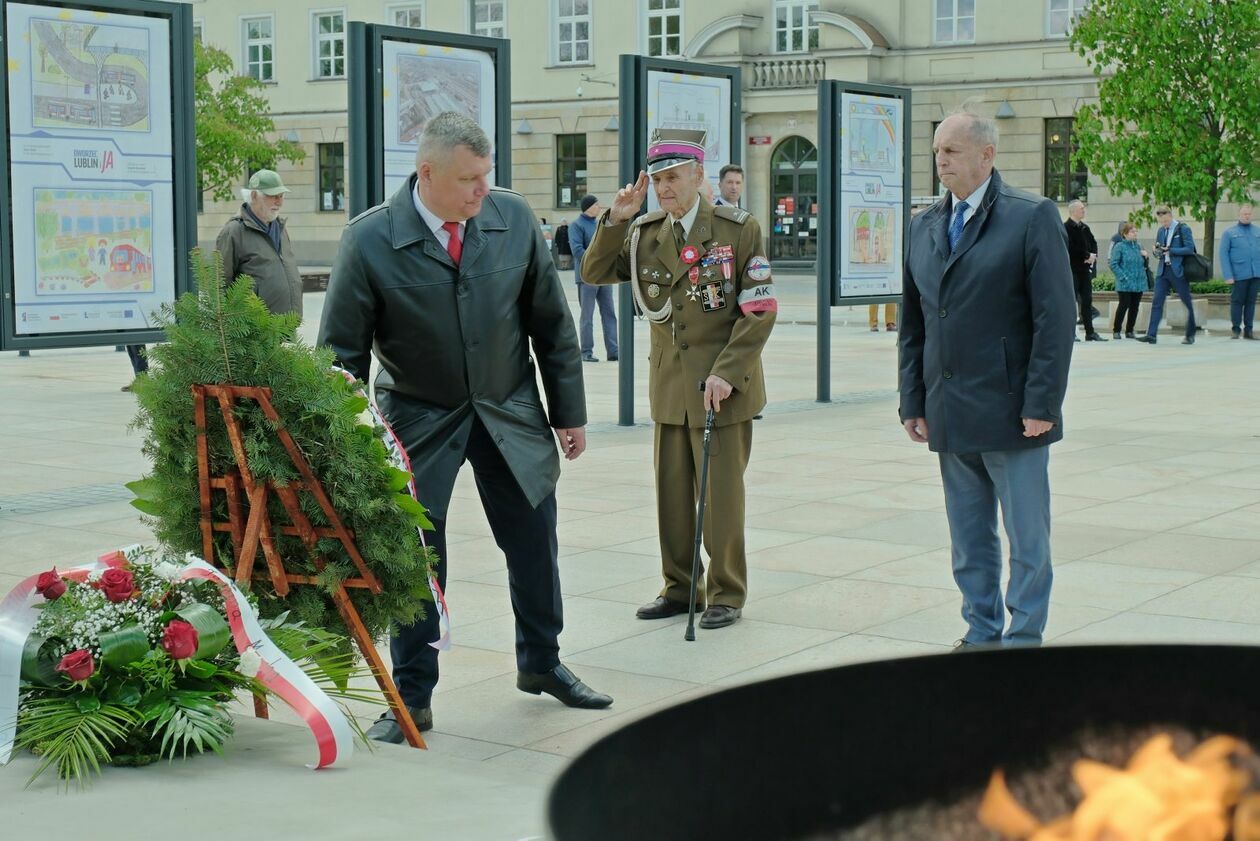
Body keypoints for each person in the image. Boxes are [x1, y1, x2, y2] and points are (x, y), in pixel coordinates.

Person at [317, 112, 611, 743]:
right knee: (417, 557)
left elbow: (552, 326)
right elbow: (340, 356)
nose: (483, 190)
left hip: (510, 408)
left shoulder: (511, 221)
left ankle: (543, 662)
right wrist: (350, 445)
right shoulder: (369, 240)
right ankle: (412, 694)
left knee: (534, 540)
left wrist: (569, 414)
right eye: (469, 179)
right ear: (427, 173)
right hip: (419, 415)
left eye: (487, 176)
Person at [581, 129, 776, 630]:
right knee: (671, 494)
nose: (665, 188)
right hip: (670, 386)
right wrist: (616, 218)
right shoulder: (646, 232)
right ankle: (678, 586)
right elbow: (594, 272)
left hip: (722, 389)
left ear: (697, 176)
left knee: (721, 499)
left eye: (674, 178)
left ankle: (726, 591)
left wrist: (727, 373)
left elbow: (758, 311)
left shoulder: (737, 229)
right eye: (659, 179)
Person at [899, 110, 1075, 648]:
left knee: (1027, 541)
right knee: (969, 539)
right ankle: (980, 635)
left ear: (986, 155)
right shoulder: (924, 224)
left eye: (951, 151)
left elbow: (1056, 317)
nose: (940, 161)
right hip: (950, 409)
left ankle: (1024, 642)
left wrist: (1041, 402)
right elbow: (915, 321)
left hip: (1014, 412)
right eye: (936, 152)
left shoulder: (1031, 216)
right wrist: (913, 400)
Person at [216, 169, 303, 320]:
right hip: (256, 335)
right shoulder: (234, 232)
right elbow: (219, 286)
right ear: (254, 196)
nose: (279, 202)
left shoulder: (280, 228)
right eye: (272, 196)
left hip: (288, 326)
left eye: (281, 196)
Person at [569, 194, 618, 363]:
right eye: (596, 205)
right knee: (587, 317)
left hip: (604, 277)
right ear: (588, 207)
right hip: (587, 277)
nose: (599, 207)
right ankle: (586, 352)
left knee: (610, 314)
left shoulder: (599, 225)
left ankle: (613, 351)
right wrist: (595, 263)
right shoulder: (576, 225)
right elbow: (577, 250)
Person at [1138, 207, 1197, 345]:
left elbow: (1190, 249)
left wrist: (1170, 250)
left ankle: (1190, 334)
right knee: (1157, 302)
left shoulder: (1183, 229)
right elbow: (1160, 252)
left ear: (1171, 216)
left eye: (1166, 221)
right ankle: (1151, 335)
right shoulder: (1161, 231)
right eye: (1161, 221)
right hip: (1163, 271)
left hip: (1178, 271)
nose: (1164, 224)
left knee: (1187, 302)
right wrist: (1156, 251)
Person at [1065, 200, 1105, 341]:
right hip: (1073, 270)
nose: (1084, 210)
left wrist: (1093, 256)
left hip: (1084, 270)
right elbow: (1070, 247)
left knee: (1087, 301)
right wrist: (1086, 255)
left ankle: (1090, 332)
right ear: (1073, 211)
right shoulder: (1066, 228)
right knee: (1071, 302)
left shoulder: (1085, 228)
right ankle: (1071, 333)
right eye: (1081, 208)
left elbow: (1093, 243)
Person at [1219, 204, 1260, 340]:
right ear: (1239, 215)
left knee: (1251, 302)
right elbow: (1223, 254)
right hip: (1238, 274)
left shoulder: (1257, 231)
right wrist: (1228, 275)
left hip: (1255, 273)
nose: (1247, 216)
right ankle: (1236, 329)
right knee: (1237, 301)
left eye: (1249, 214)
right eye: (1244, 214)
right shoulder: (1229, 233)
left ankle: (1249, 330)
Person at [1107, 222, 1149, 339]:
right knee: (1123, 305)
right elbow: (1113, 264)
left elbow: (1144, 265)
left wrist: (1146, 256)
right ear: (1125, 234)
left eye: (1136, 231)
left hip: (1138, 282)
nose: (1135, 234)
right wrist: (1123, 277)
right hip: (1125, 283)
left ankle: (1130, 330)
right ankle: (1117, 330)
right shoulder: (1119, 246)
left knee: (1135, 306)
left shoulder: (1139, 246)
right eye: (1132, 232)